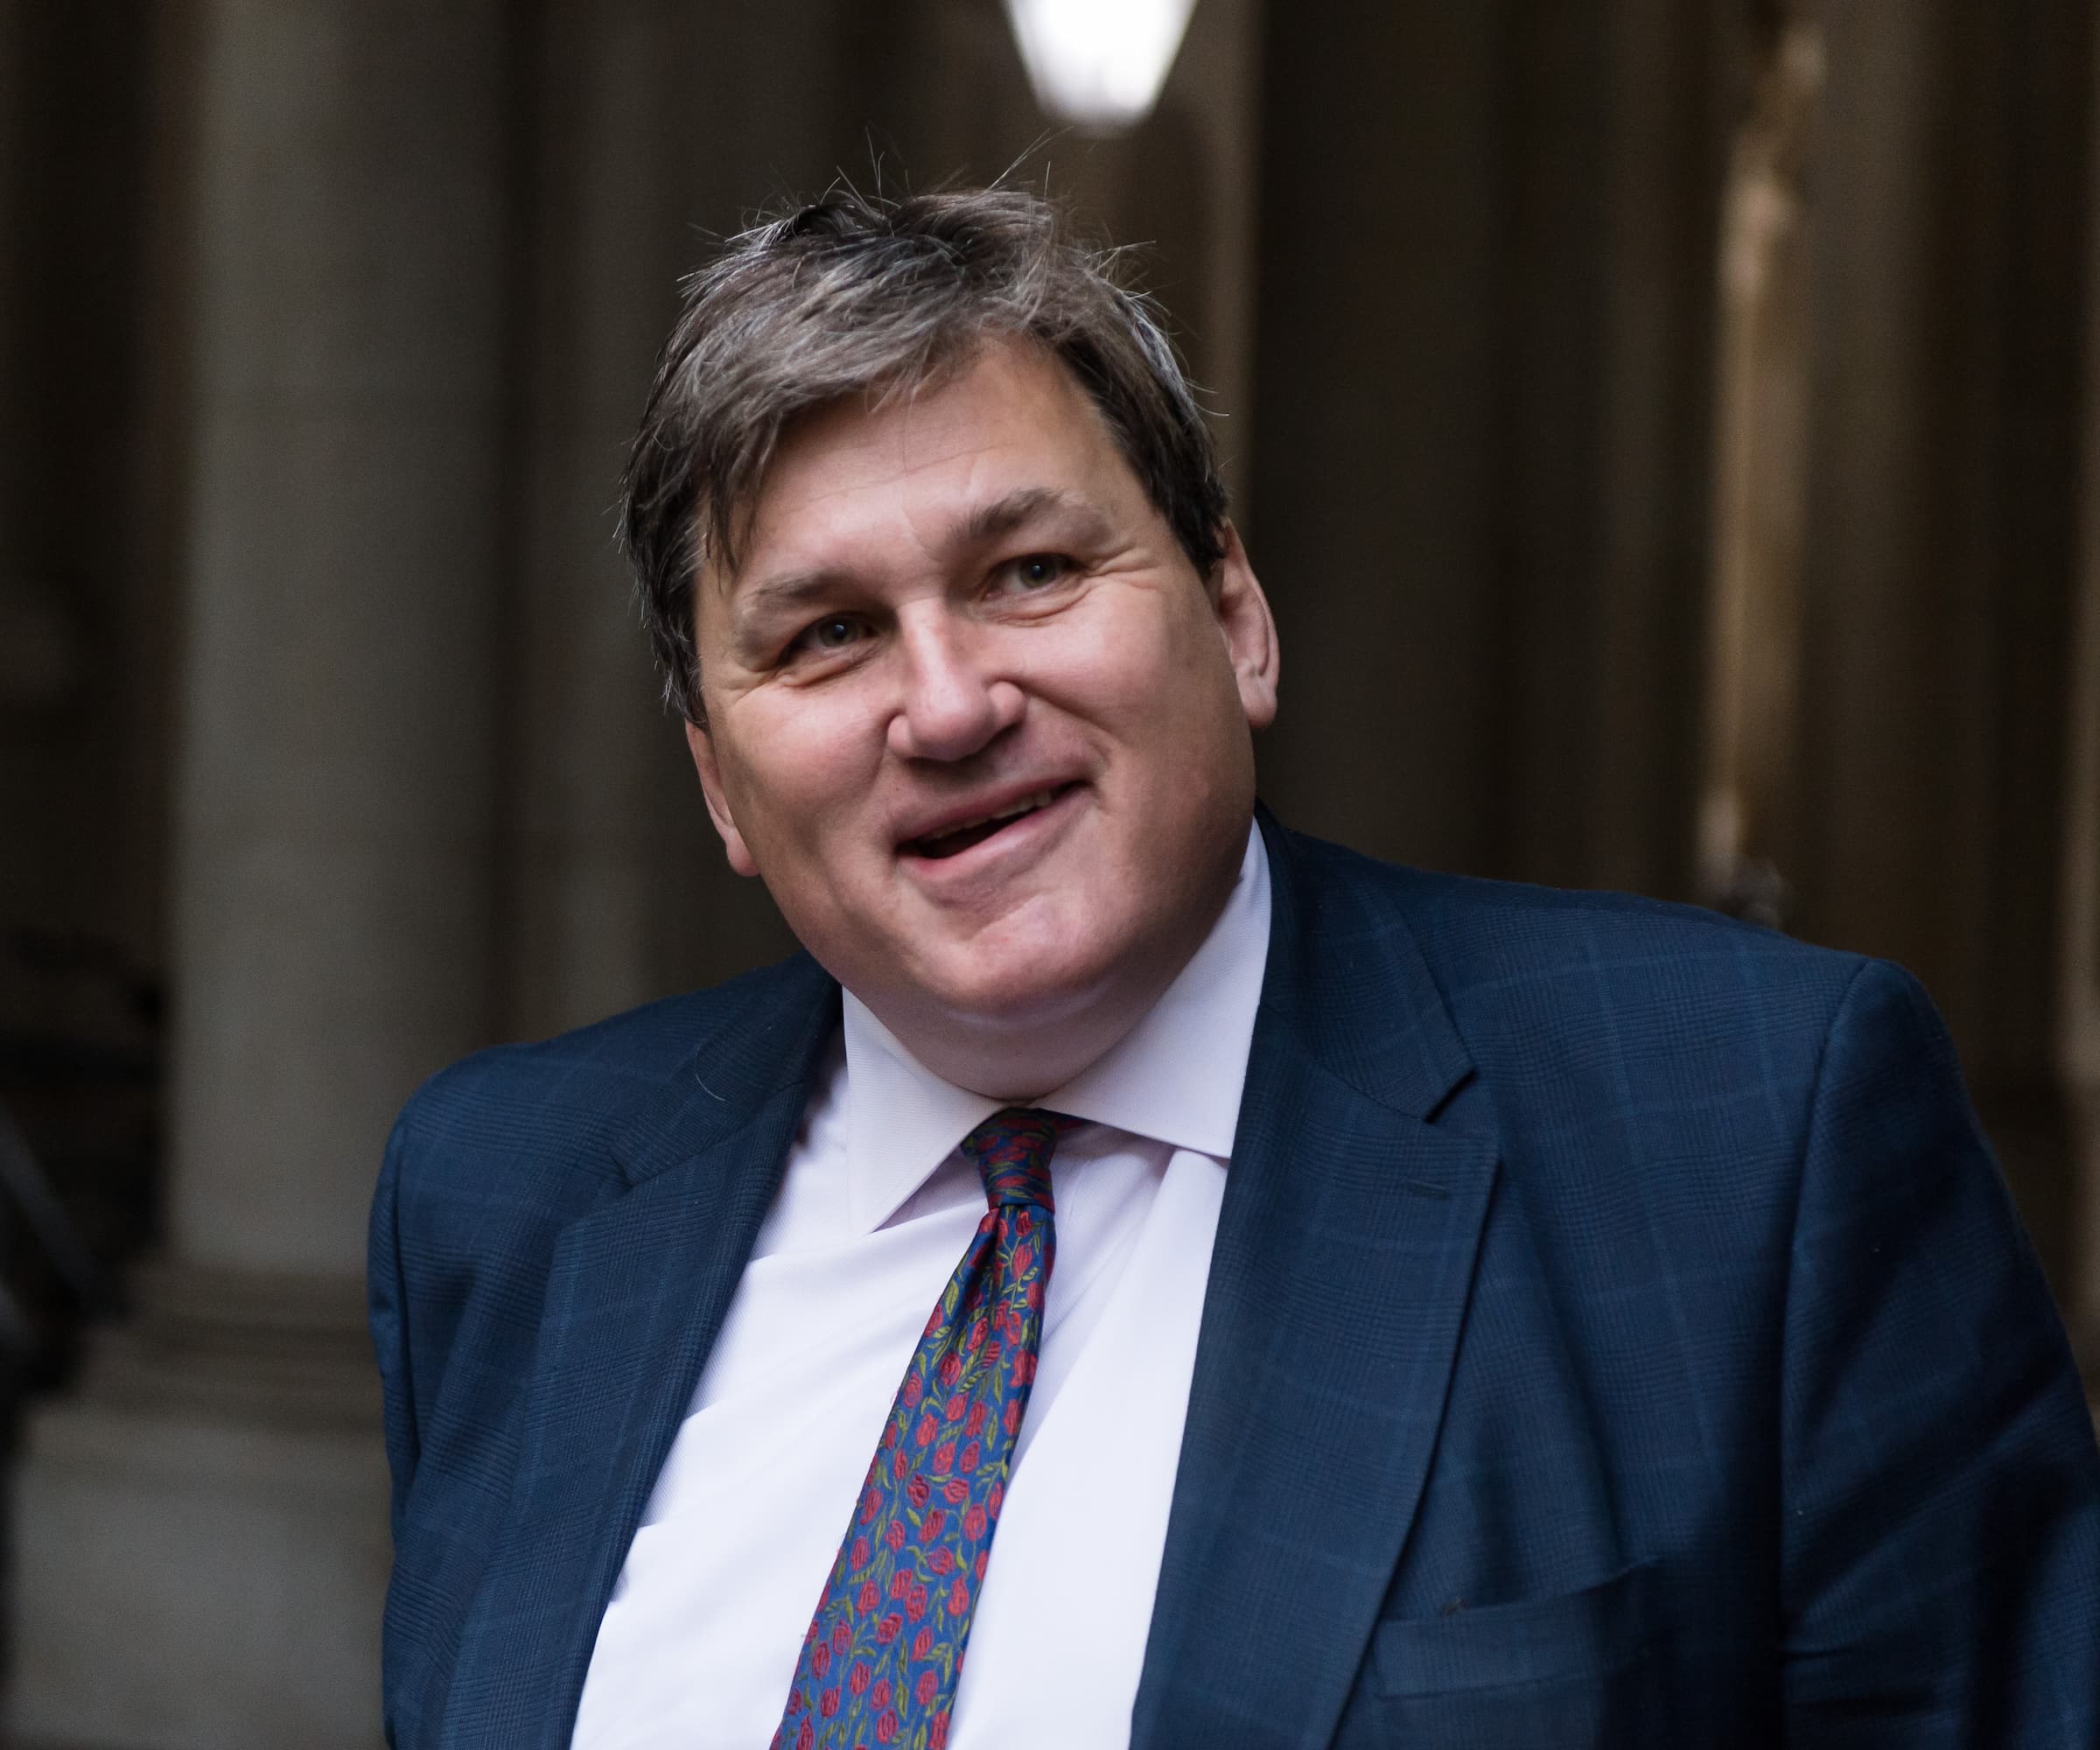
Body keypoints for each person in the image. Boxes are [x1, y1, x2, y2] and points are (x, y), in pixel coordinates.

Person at [368, 186, 2100, 1750]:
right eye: (827, 636)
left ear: (1238, 616)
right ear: (718, 783)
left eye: (1030, 571)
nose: (952, 701)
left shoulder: (1746, 1134)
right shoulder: (502, 1198)